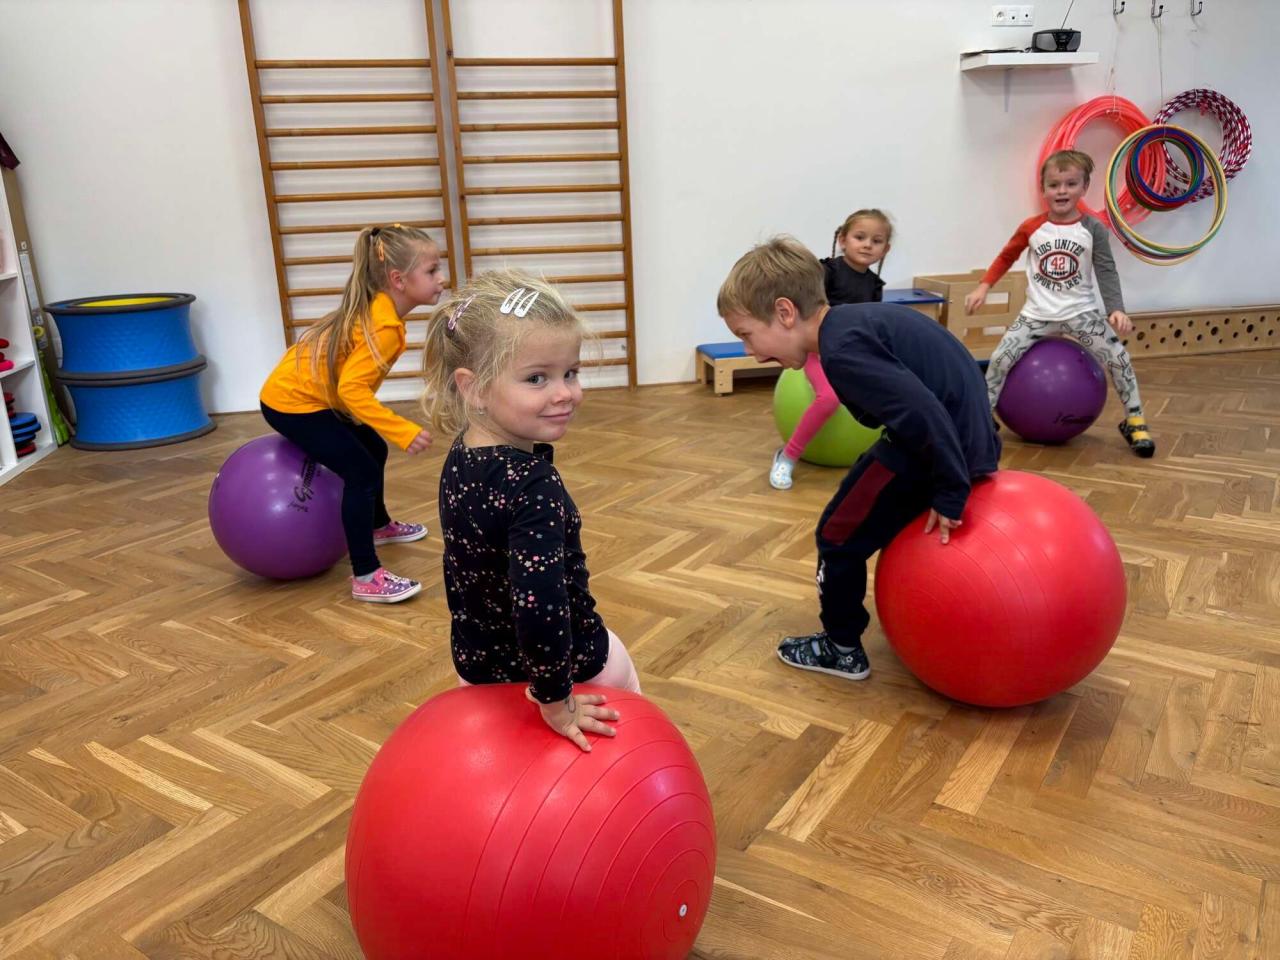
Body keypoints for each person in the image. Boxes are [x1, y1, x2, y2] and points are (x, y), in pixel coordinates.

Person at [719, 236, 1000, 680]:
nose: (750, 352)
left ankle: (842, 647)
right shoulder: (850, 325)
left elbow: (924, 414)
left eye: (747, 335)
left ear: (785, 312)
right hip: (960, 441)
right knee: (860, 505)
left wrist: (951, 491)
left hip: (936, 451)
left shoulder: (842, 349)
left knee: (837, 535)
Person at [422, 270, 641, 751]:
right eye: (537, 378)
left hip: (479, 671)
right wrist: (555, 701)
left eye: (571, 373)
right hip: (572, 674)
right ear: (474, 388)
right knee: (631, 718)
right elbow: (540, 604)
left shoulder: (462, 454)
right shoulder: (533, 485)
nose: (565, 393)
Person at [259, 224, 441, 602]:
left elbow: (349, 385)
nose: (442, 279)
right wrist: (402, 429)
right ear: (399, 280)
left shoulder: (382, 309)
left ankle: (378, 525)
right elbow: (352, 390)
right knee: (362, 472)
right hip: (293, 404)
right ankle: (366, 575)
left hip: (313, 396)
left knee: (373, 448)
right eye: (432, 270)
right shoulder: (383, 325)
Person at [965, 149, 1155, 457]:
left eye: (1070, 184)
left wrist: (1116, 309)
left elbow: (1106, 269)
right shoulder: (1032, 227)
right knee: (999, 359)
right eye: (1054, 185)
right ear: (1043, 189)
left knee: (1119, 359)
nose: (1062, 191)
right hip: (1036, 315)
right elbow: (1006, 256)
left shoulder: (1093, 229)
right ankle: (982, 419)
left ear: (1084, 187)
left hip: (1081, 314)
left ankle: (1134, 419)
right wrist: (984, 286)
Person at [770, 209, 893, 490]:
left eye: (876, 241)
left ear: (885, 249)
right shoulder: (826, 272)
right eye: (860, 237)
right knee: (828, 398)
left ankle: (886, 460)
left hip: (854, 354)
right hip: (819, 351)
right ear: (842, 239)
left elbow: (872, 324)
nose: (867, 245)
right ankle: (787, 456)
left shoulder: (874, 285)